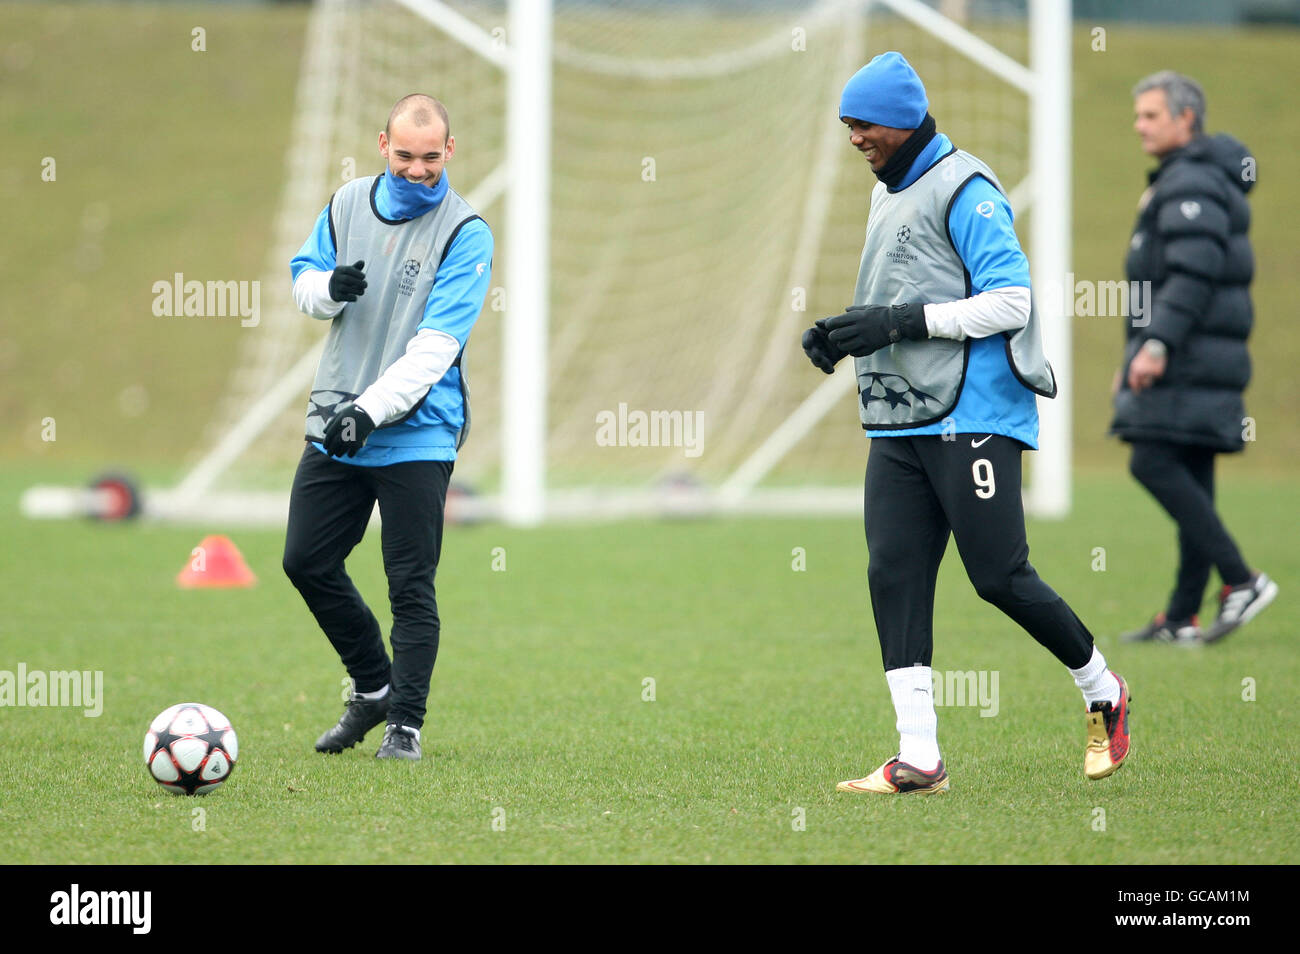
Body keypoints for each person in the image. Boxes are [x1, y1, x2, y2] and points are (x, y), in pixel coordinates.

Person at [801, 52, 1129, 794]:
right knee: (894, 573)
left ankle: (1103, 691)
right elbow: (903, 300)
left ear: (905, 119)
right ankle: (919, 755)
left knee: (999, 576)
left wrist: (903, 319)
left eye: (864, 124)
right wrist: (845, 332)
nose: (854, 137)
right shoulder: (889, 191)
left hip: (973, 413)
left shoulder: (967, 187)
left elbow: (1012, 301)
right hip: (902, 422)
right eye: (847, 125)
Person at [282, 94, 493, 761]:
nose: (417, 170)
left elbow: (435, 348)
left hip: (416, 430)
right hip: (337, 417)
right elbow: (303, 281)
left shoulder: (468, 233)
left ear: (450, 153)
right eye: (404, 155)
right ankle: (373, 688)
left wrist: (368, 413)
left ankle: (405, 724)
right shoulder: (347, 203)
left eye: (431, 158)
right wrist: (328, 290)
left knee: (409, 582)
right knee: (306, 560)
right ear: (383, 145)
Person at [1112, 70, 1275, 646]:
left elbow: (1193, 274)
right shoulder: (1194, 177)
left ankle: (1241, 579)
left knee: (1151, 462)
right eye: (1138, 115)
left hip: (1188, 358)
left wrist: (1155, 345)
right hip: (1201, 357)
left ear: (1187, 119)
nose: (1140, 126)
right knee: (1192, 477)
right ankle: (1183, 614)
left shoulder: (1191, 182)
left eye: (1151, 115)